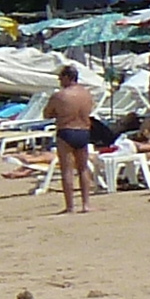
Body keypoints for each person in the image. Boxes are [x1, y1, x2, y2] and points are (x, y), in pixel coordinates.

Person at [47, 63, 100, 213]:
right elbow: (90, 110)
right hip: (83, 131)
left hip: (66, 130)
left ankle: (70, 206)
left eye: (60, 78)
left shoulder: (60, 95)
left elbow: (47, 113)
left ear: (67, 78)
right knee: (83, 168)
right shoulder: (87, 94)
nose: (59, 81)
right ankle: (86, 204)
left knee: (67, 170)